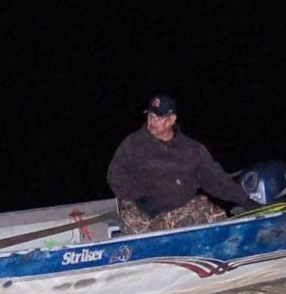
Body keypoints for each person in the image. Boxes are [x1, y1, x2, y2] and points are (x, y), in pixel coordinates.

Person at [106, 94, 258, 234]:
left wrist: (245, 200)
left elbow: (215, 178)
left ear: (171, 120)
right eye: (150, 116)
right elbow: (115, 175)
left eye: (157, 118)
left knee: (217, 219)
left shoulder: (192, 149)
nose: (151, 122)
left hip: (180, 209)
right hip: (142, 209)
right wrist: (139, 199)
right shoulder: (133, 144)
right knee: (141, 230)